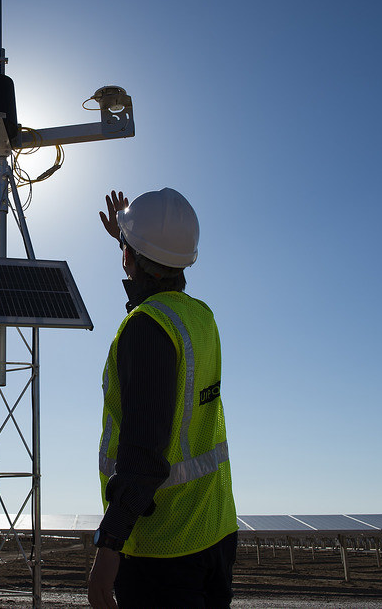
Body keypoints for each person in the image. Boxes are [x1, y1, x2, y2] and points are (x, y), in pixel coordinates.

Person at [88, 188, 237, 609]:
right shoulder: (199, 317)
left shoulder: (146, 328)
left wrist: (109, 544)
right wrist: (128, 240)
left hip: (165, 549)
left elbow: (144, 455)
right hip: (215, 530)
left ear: (129, 259)